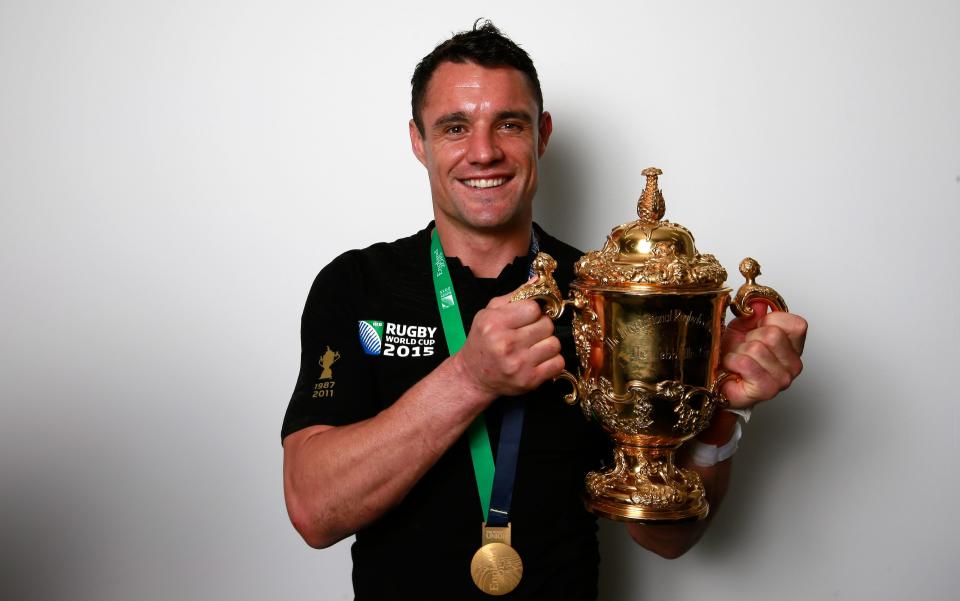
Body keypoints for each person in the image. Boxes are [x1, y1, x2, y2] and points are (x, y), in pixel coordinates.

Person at [281, 21, 807, 600]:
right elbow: (313, 510)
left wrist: (721, 412)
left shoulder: (604, 294)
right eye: (455, 127)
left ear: (542, 135)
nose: (484, 151)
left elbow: (670, 540)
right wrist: (470, 377)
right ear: (417, 140)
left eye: (510, 124)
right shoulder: (355, 286)